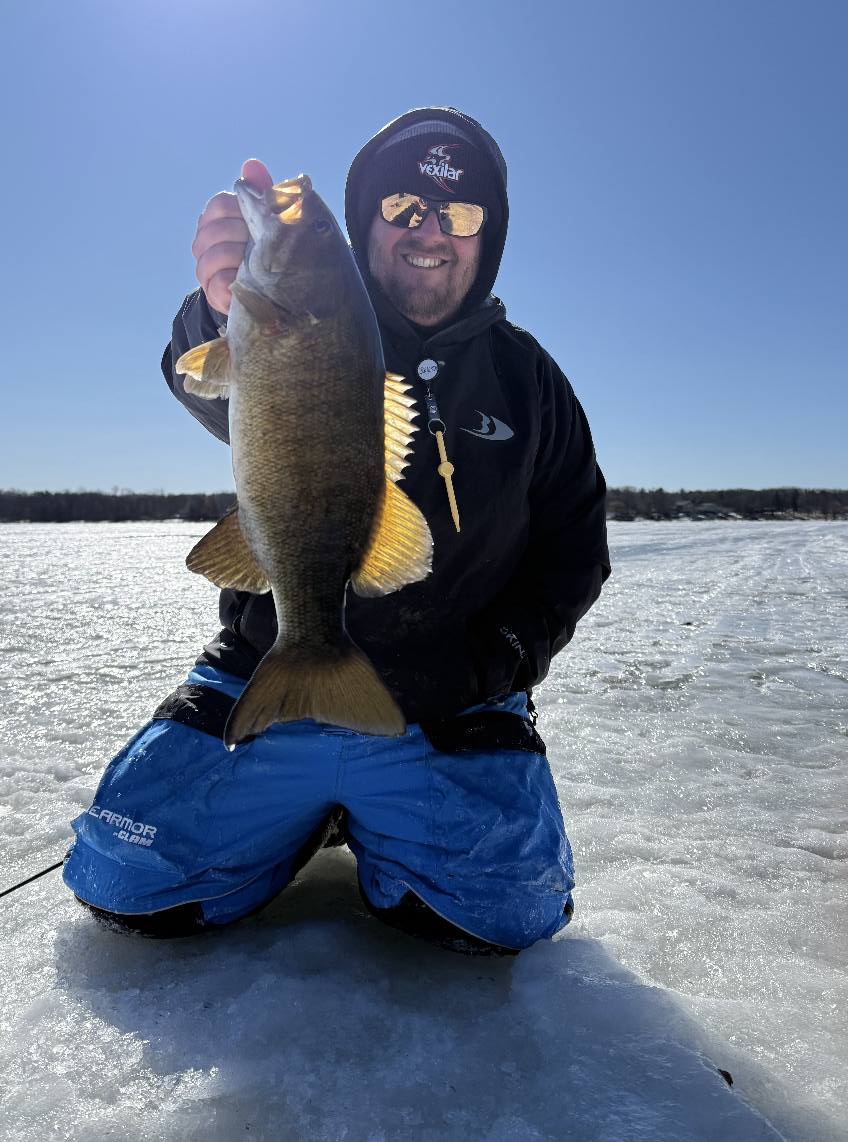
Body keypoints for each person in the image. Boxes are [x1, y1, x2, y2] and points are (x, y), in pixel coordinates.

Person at [63, 108, 611, 955]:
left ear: (486, 236)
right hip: (267, 672)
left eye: (460, 214)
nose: (432, 230)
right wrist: (217, 310)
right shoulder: (313, 319)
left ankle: (363, 818)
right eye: (403, 206)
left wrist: (500, 654)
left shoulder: (530, 381)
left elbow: (575, 548)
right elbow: (202, 373)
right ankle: (302, 812)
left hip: (448, 701)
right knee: (127, 885)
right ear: (364, 225)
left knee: (504, 916)